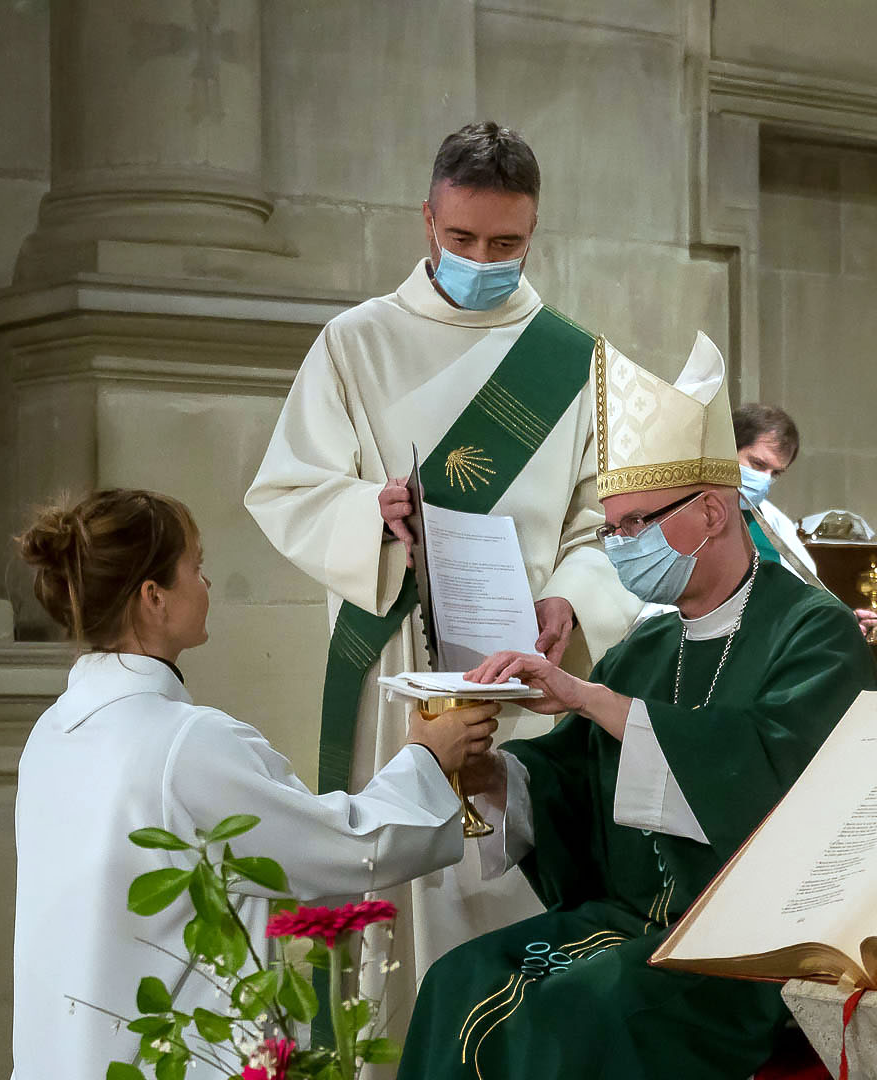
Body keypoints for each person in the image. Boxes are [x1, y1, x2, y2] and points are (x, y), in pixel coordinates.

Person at [395, 335, 877, 1080]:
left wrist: (594, 701)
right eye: (611, 528)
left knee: (574, 1016)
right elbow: (566, 777)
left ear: (713, 512)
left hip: (745, 953)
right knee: (455, 981)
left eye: (636, 524)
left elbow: (770, 767)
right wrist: (487, 769)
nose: (621, 546)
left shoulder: (813, 629)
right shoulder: (648, 646)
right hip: (626, 926)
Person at [244, 122, 641, 1020]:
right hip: (398, 669)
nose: (482, 258)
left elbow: (601, 516)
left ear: (534, 231)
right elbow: (287, 487)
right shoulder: (355, 342)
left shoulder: (573, 359)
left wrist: (570, 598)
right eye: (461, 239)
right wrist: (367, 514)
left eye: (506, 243)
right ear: (427, 219)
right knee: (398, 888)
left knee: (506, 889)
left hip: (526, 669)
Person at [9, 489, 501, 1080]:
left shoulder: (52, 731)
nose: (207, 584)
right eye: (196, 566)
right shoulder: (184, 743)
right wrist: (427, 756)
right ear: (154, 598)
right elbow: (345, 850)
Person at [732, 402, 877, 638]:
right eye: (758, 464)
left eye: (776, 473)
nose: (764, 480)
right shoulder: (684, 509)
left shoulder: (773, 521)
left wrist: (837, 621)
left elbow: (804, 592)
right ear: (727, 449)